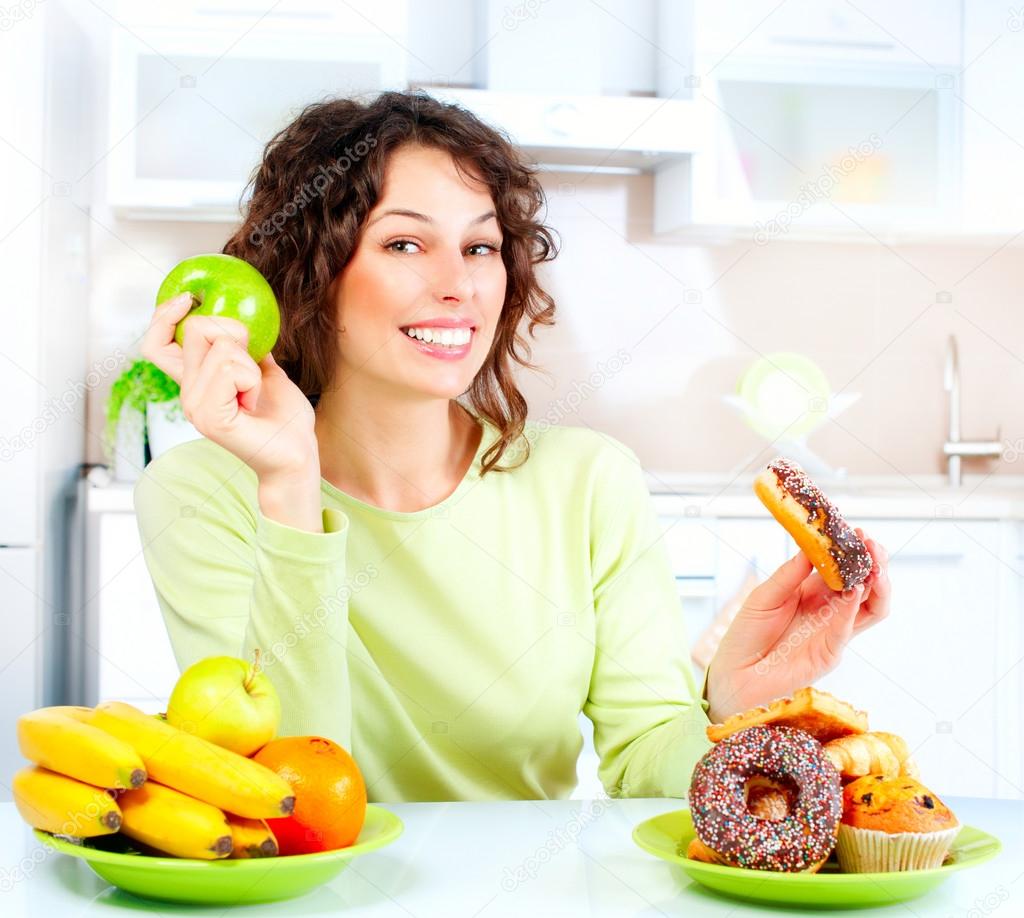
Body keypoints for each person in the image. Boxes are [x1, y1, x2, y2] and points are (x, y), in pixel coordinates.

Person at [136, 90, 890, 802]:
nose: (458, 286)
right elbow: (286, 789)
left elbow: (646, 758)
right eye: (404, 243)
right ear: (312, 271)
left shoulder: (589, 482)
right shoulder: (200, 494)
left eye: (480, 248)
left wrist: (736, 709)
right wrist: (289, 486)